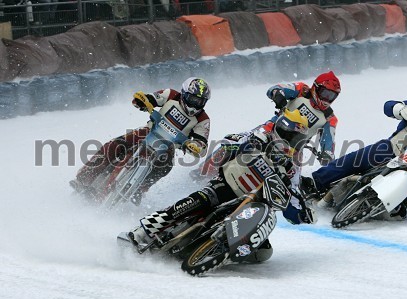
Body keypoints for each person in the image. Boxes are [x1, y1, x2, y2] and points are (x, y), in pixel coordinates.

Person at [129, 109, 316, 262]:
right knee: (199, 201)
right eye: (290, 136)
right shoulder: (259, 136)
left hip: (253, 207)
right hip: (226, 185)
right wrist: (246, 146)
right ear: (281, 130)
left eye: (296, 139)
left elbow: (293, 196)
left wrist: (301, 214)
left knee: (263, 253)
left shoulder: (292, 167)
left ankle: (217, 254)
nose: (291, 142)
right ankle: (144, 229)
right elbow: (228, 141)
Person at [300, 91, 407, 219]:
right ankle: (314, 182)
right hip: (389, 150)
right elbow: (388, 106)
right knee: (354, 160)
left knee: (398, 215)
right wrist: (399, 109)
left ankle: (369, 209)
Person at [70, 77, 212, 204]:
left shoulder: (203, 120)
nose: (195, 104)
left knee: (165, 168)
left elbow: (202, 144)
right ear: (184, 94)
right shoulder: (171, 94)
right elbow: (152, 98)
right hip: (149, 130)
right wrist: (142, 100)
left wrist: (195, 146)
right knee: (114, 145)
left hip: (169, 146)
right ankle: (84, 178)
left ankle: (140, 189)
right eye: (193, 99)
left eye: (199, 101)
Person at [194, 70, 342, 179]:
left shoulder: (330, 118)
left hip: (295, 149)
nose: (326, 99)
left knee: (292, 181)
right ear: (315, 87)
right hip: (270, 129)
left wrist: (327, 154)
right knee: (235, 143)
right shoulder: (301, 90)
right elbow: (275, 88)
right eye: (325, 93)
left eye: (331, 96)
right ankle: (202, 173)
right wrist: (279, 95)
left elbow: (329, 141)